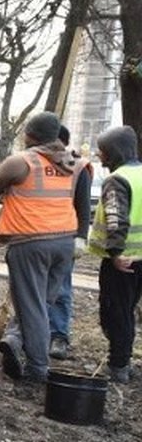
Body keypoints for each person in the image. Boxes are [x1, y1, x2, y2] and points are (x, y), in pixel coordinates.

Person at [0, 112, 91, 383]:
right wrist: (81, 237)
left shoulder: (22, 161)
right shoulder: (74, 163)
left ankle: (37, 367)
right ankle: (14, 338)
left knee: (31, 305)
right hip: (64, 242)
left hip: (30, 242)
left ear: (29, 135)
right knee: (42, 302)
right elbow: (82, 202)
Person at [86, 125, 142, 383]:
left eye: (103, 151)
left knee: (115, 312)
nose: (100, 156)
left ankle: (118, 365)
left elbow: (116, 218)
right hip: (138, 259)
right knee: (127, 311)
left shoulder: (117, 180)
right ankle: (123, 361)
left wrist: (116, 253)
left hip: (123, 261)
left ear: (114, 152)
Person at [47, 124, 93, 360]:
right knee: (33, 289)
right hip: (37, 235)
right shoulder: (35, 164)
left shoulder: (77, 167)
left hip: (65, 237)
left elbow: (83, 205)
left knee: (60, 288)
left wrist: (81, 237)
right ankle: (31, 332)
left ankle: (58, 336)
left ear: (63, 142)